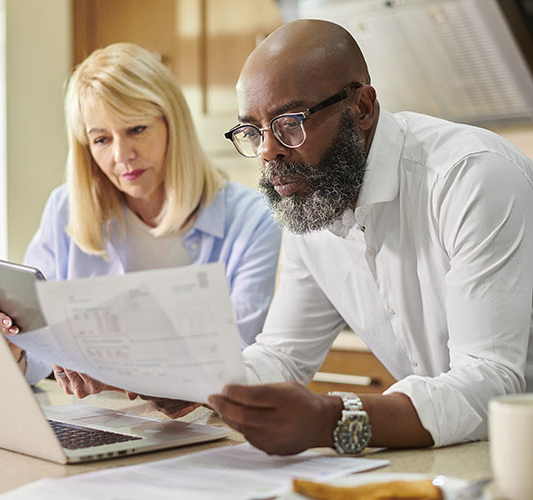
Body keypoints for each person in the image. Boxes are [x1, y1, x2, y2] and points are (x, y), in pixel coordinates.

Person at [203, 19, 533, 455]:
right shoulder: (313, 197)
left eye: (289, 123)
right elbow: (282, 356)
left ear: (362, 108)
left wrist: (331, 420)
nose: (268, 150)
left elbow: (493, 382)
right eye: (254, 130)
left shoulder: (469, 178)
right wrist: (189, 385)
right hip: (458, 450)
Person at [0, 42, 281, 387]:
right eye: (101, 140)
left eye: (136, 129)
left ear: (172, 124)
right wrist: (15, 349)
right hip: (100, 420)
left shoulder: (252, 219)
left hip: (206, 426)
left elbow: (237, 355)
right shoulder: (64, 209)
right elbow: (41, 349)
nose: (122, 156)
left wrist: (115, 373)